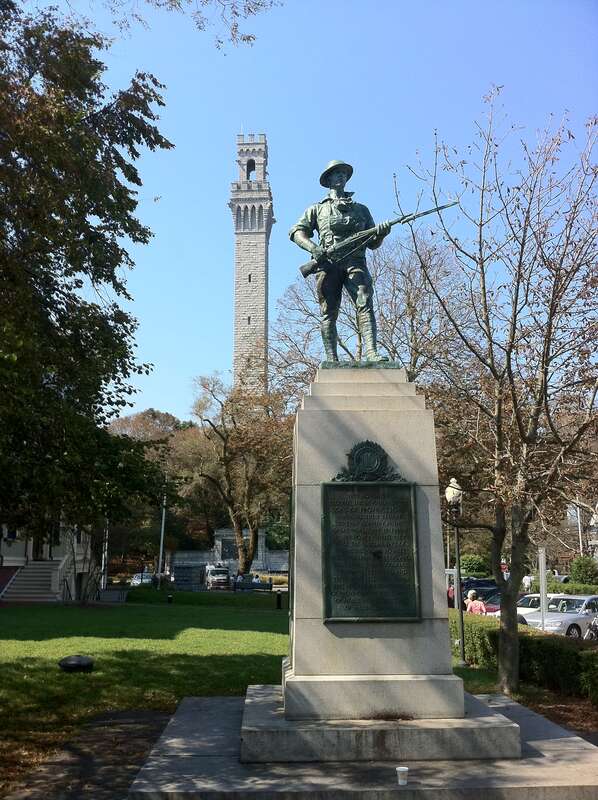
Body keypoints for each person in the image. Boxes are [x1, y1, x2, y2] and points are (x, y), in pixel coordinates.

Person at [289, 160, 391, 362]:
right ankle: (332, 358)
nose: (341, 176)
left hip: (356, 262)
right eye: (336, 173)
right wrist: (313, 248)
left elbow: (373, 244)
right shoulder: (317, 209)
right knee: (329, 311)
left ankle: (371, 352)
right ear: (328, 180)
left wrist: (381, 234)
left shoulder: (362, 209)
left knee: (365, 301)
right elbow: (296, 232)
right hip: (329, 264)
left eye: (344, 173)